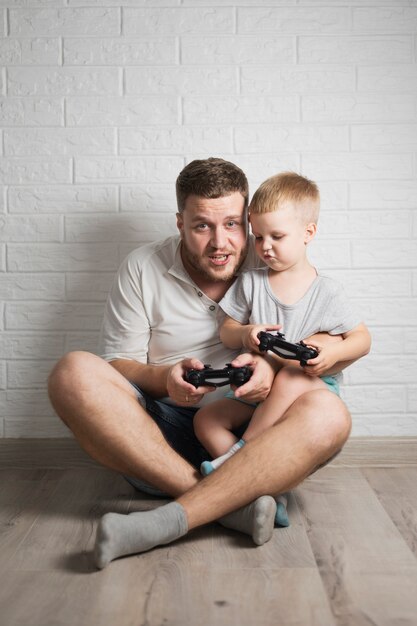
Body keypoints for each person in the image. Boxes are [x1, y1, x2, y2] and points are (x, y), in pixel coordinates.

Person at [47, 158, 353, 569]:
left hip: (259, 434)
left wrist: (273, 368)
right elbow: (116, 366)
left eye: (231, 224)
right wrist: (165, 380)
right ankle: (231, 503)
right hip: (160, 439)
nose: (220, 243)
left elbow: (325, 344)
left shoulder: (272, 254)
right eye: (202, 226)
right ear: (180, 223)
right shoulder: (141, 267)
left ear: (248, 220)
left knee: (330, 415)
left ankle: (185, 510)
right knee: (72, 372)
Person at [193, 172, 371, 476]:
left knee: (290, 373)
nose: (265, 247)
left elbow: (362, 339)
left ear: (308, 232)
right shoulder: (250, 282)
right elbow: (227, 331)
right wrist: (247, 333)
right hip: (260, 385)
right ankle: (257, 489)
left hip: (306, 385)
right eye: (259, 237)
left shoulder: (326, 291)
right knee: (206, 420)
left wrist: (332, 355)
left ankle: (241, 456)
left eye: (277, 236)